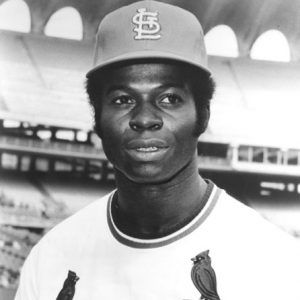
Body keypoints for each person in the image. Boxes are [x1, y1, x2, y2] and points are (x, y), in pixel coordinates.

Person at [15, 1, 300, 300]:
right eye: (123, 100)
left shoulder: (277, 263)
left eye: (169, 99)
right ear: (97, 117)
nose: (145, 118)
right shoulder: (50, 259)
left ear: (203, 114)